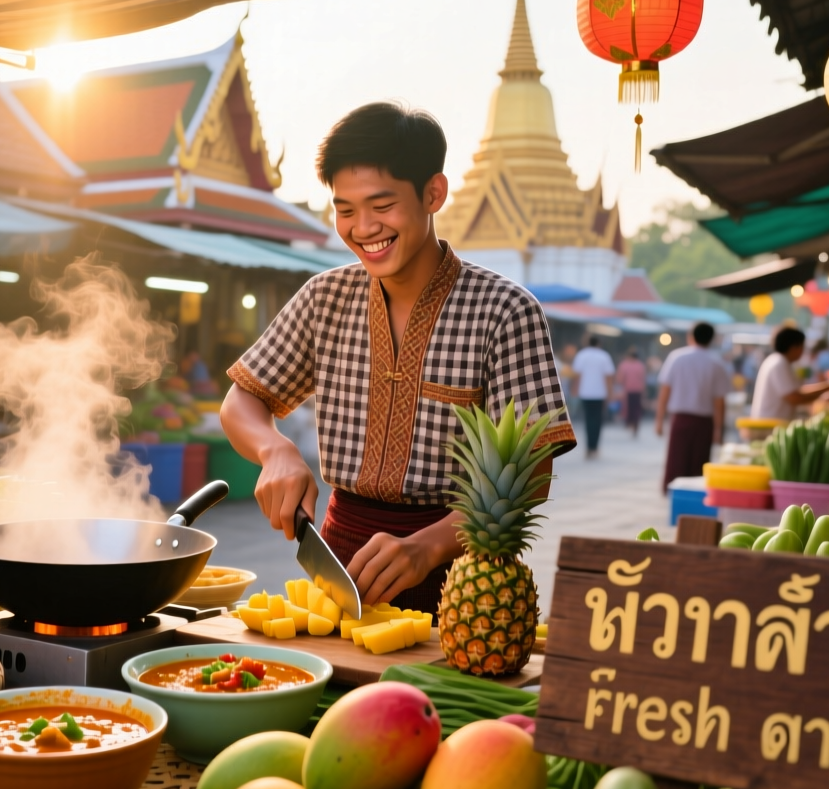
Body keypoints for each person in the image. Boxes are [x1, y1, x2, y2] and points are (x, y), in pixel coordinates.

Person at [220, 102, 575, 613]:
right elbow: (242, 401)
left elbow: (532, 476)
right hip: (340, 562)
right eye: (345, 209)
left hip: (463, 575)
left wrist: (426, 547)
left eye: (381, 206)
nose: (362, 228)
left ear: (434, 194)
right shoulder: (325, 298)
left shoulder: (506, 310)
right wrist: (273, 450)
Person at [655, 322, 732, 491]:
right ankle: (693, 497)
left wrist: (659, 420)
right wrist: (719, 430)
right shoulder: (717, 363)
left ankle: (673, 494)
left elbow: (664, 393)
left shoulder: (677, 357)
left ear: (690, 336)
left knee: (677, 461)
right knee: (698, 464)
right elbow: (719, 402)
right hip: (704, 422)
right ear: (711, 339)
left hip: (680, 420)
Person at [751, 327, 829, 421]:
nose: (802, 351)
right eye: (802, 346)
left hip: (771, 423)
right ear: (794, 347)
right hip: (769, 426)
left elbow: (798, 391)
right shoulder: (779, 363)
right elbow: (794, 398)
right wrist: (827, 389)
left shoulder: (778, 360)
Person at [571, 335, 616, 457]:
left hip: (585, 392)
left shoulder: (581, 355)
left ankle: (589, 447)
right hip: (600, 393)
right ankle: (594, 447)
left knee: (588, 420)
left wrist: (575, 390)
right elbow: (608, 377)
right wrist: (610, 393)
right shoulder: (604, 356)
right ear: (599, 343)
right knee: (597, 420)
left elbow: (577, 375)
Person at [616, 347, 647, 437]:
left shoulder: (624, 365)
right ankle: (635, 426)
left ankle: (629, 424)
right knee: (636, 409)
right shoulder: (641, 365)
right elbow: (643, 379)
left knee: (628, 409)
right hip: (638, 390)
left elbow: (619, 379)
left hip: (627, 390)